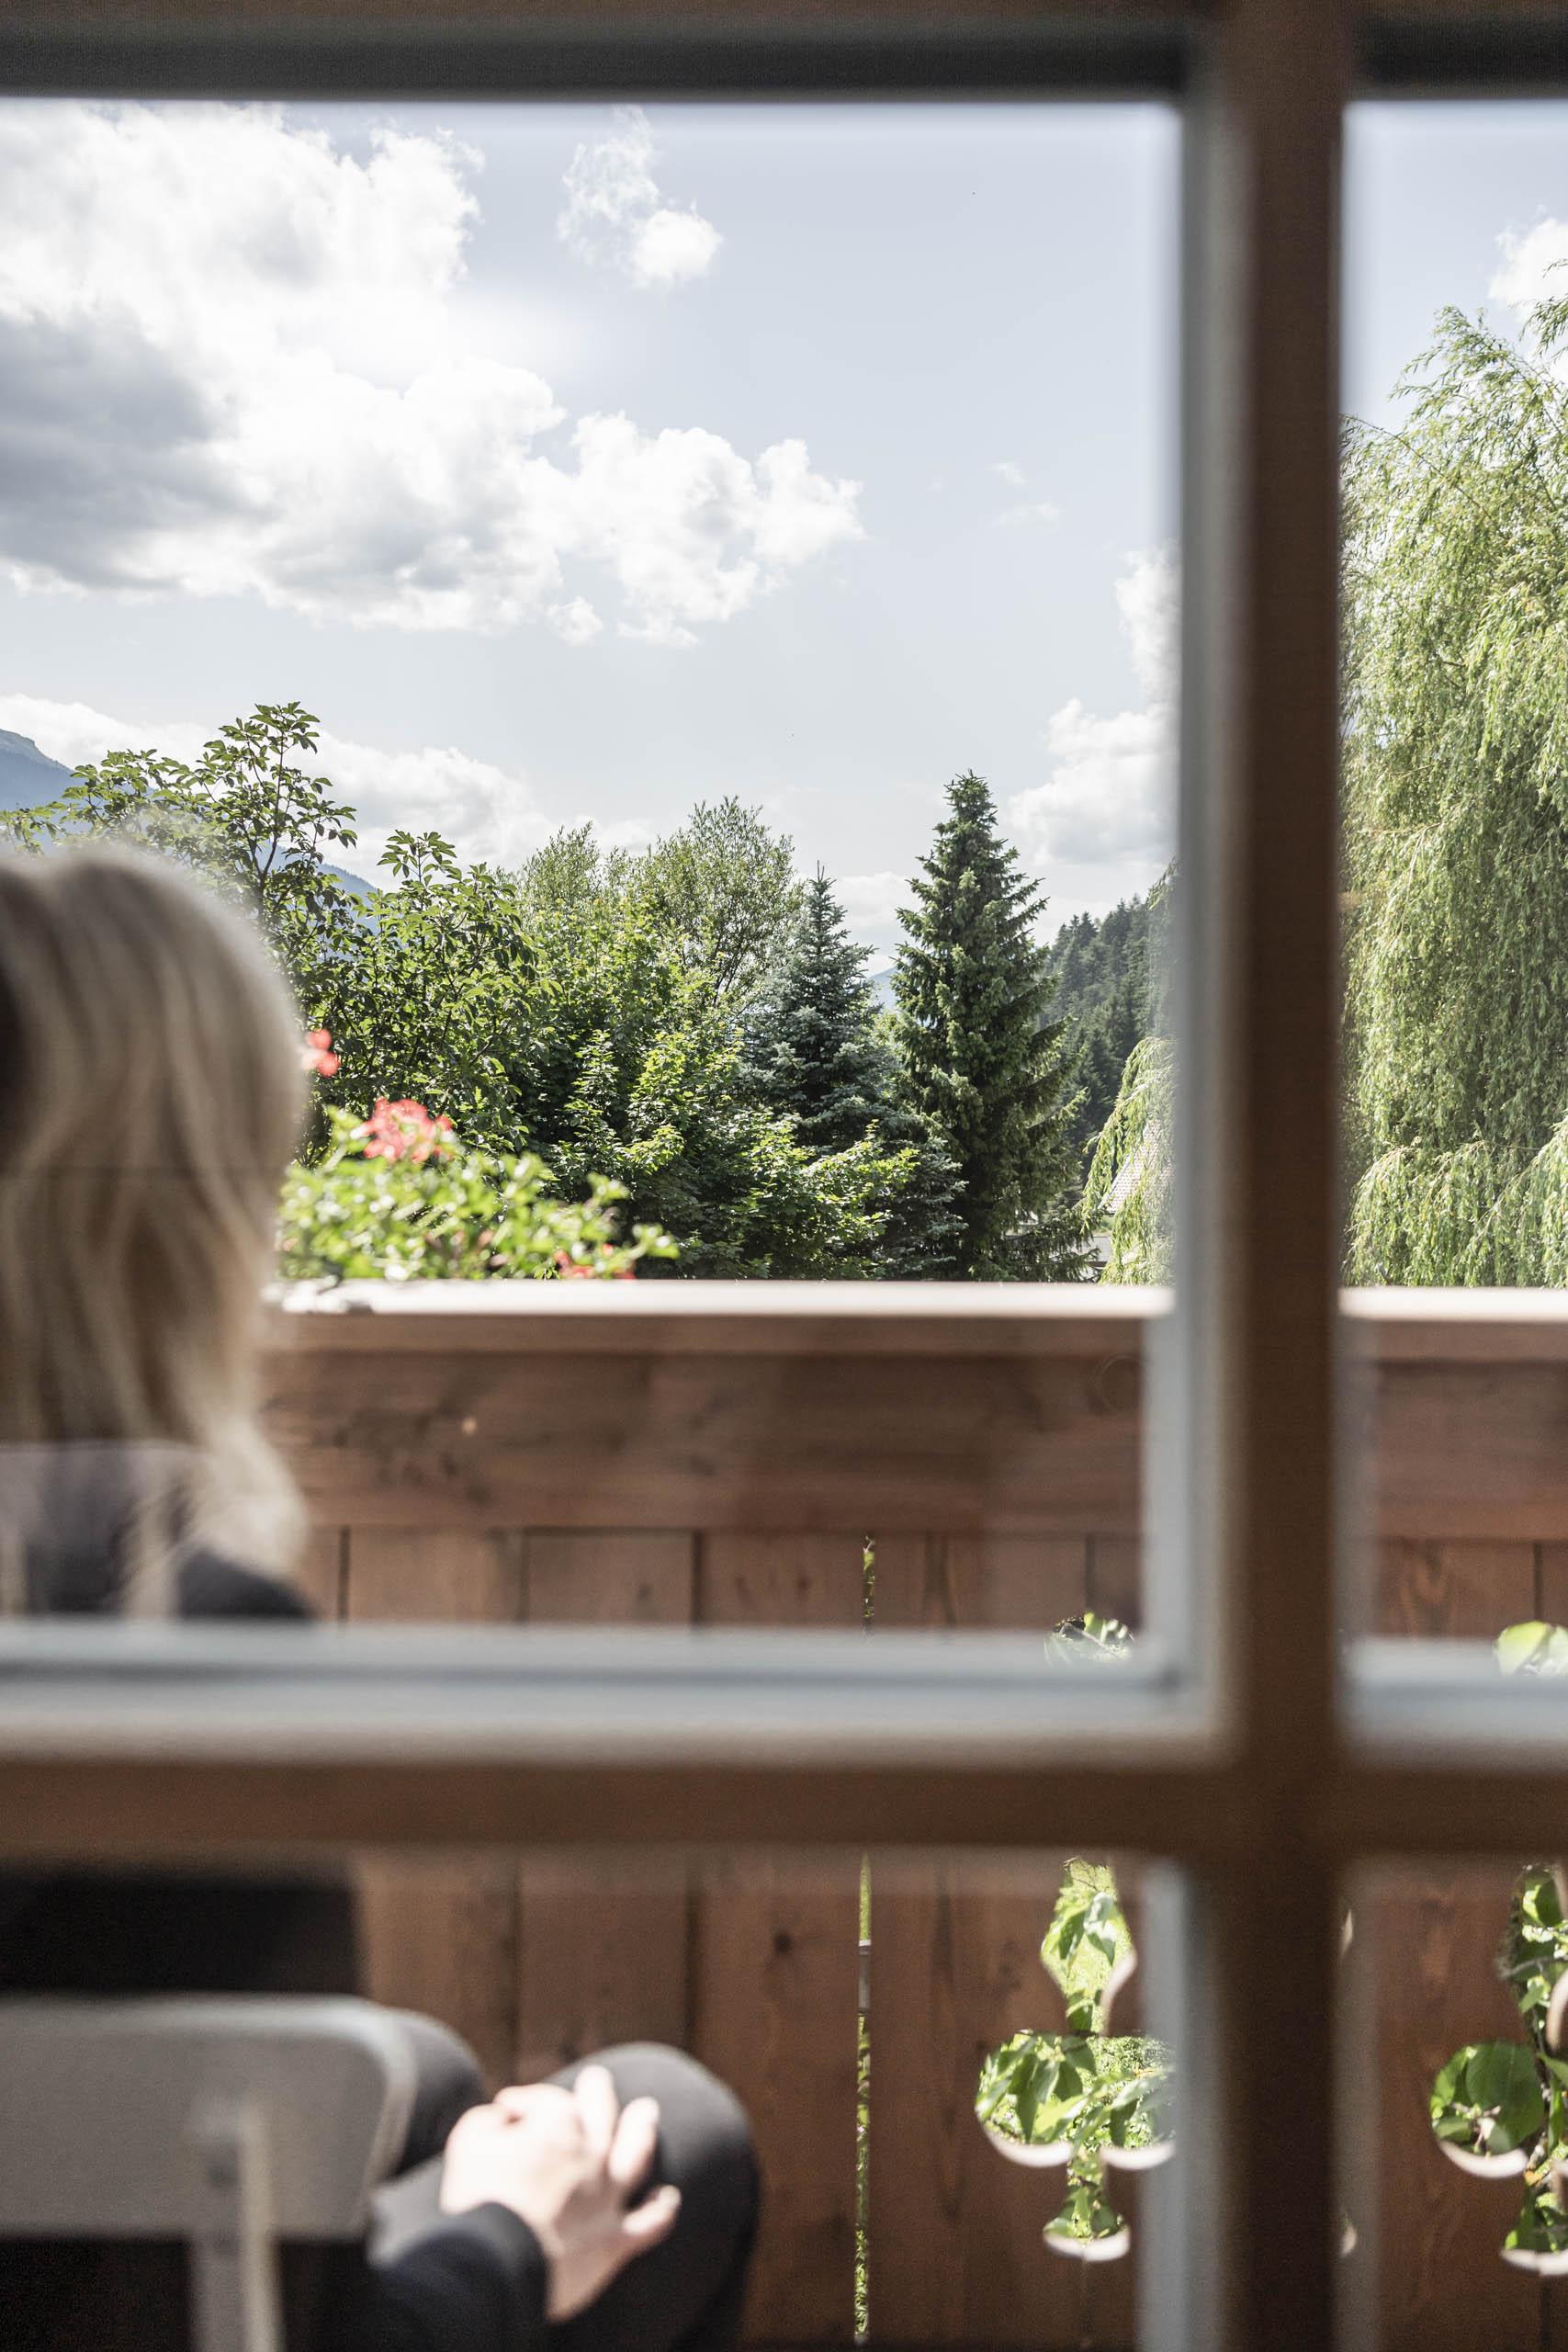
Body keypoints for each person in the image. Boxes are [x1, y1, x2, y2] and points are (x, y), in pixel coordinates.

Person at [0, 842, 759, 2352]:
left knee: (417, 2068)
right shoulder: (176, 1643)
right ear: (181, 1232)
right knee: (674, 2130)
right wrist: (512, 2239)